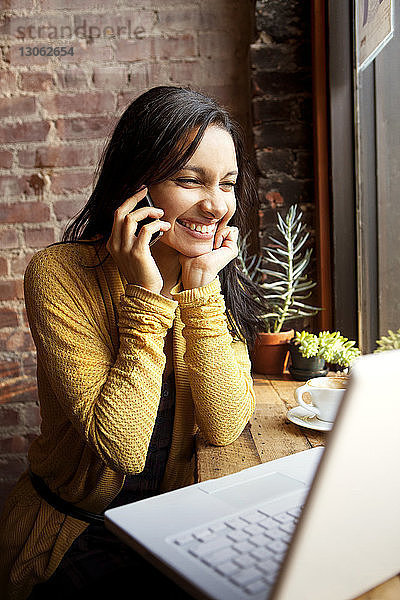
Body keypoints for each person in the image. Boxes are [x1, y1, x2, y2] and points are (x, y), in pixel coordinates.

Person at [0, 85, 266, 600]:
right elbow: (119, 448)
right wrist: (147, 297)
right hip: (76, 538)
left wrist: (201, 290)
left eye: (229, 184)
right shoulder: (62, 273)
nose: (216, 206)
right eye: (190, 181)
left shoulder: (212, 275)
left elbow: (224, 424)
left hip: (174, 529)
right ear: (135, 188)